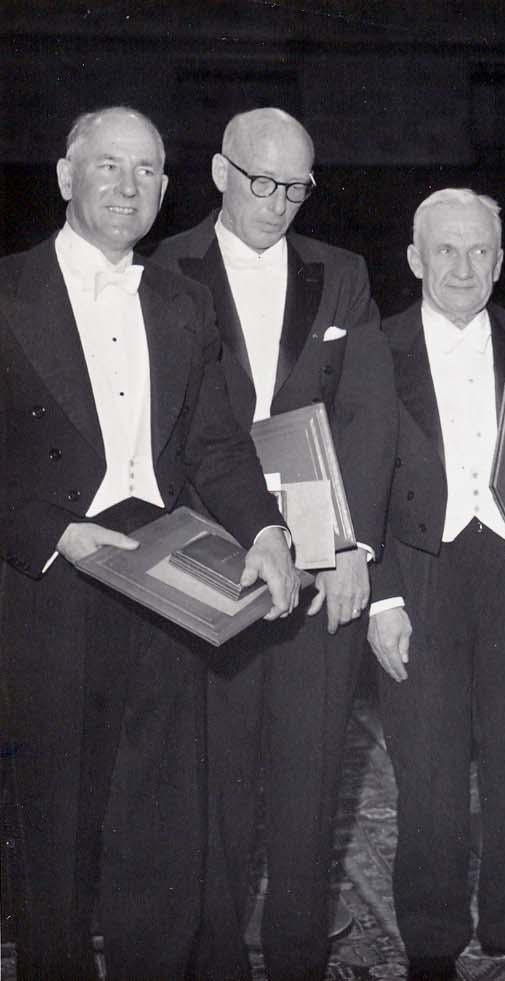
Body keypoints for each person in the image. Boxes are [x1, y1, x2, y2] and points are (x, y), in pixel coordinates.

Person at [0, 106, 299, 980]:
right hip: (51, 568)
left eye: (147, 172)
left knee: (162, 820)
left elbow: (214, 443)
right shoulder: (6, 292)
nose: (129, 189)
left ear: (169, 189)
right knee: (55, 821)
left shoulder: (181, 298)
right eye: (108, 167)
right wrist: (53, 532)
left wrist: (269, 531)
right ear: (65, 175)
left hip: (164, 568)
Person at [152, 107, 396, 981]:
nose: (282, 202)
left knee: (308, 781)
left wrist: (352, 549)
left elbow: (368, 419)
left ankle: (297, 962)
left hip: (318, 555)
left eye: (298, 186)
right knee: (211, 788)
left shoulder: (343, 273)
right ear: (219, 174)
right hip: (206, 556)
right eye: (264, 182)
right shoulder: (162, 267)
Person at [366, 188, 505, 981]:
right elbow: (359, 486)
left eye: (480, 252)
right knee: (426, 770)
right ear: (415, 258)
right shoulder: (372, 346)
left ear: (500, 261)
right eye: (446, 251)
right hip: (418, 573)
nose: (463, 267)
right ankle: (431, 939)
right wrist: (382, 597)